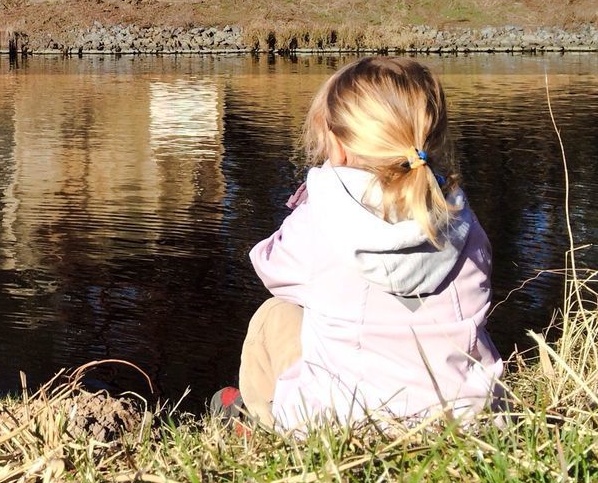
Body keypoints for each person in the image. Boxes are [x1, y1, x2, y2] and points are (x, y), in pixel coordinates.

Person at [213, 56, 502, 431]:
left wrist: (319, 193)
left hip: (343, 424)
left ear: (337, 146)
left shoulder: (319, 223)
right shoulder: (464, 221)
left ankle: (261, 423)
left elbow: (269, 265)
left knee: (276, 314)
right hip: (462, 422)